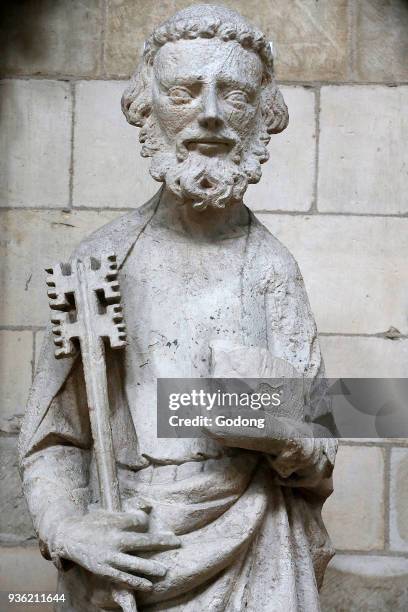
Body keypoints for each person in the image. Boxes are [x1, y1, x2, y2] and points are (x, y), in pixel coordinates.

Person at [19, 5, 337, 611]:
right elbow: (53, 438)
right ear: (148, 106)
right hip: (136, 551)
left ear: (262, 117)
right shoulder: (102, 261)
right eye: (186, 91)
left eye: (235, 95)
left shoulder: (272, 267)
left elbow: (321, 451)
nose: (211, 113)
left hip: (258, 539)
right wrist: (68, 528)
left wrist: (285, 438)